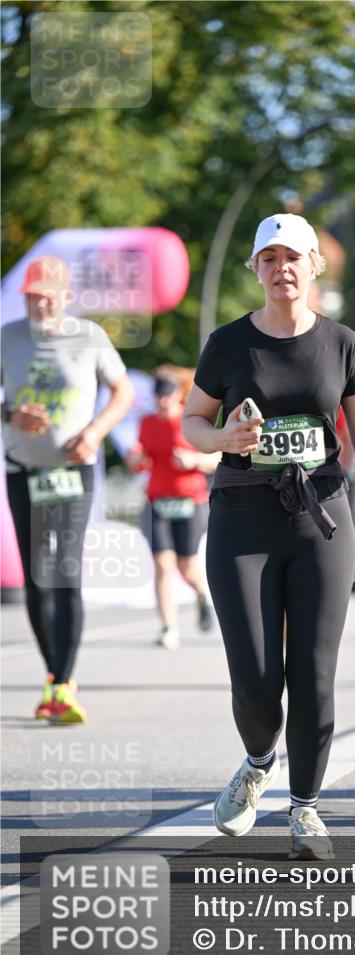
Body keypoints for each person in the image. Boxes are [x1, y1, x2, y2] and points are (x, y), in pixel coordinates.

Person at [182, 213, 355, 858]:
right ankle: (254, 762)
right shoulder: (227, 344)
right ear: (256, 269)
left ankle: (305, 810)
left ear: (313, 266)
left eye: (293, 257)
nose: (282, 269)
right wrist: (222, 440)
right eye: (269, 259)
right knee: (253, 673)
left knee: (313, 671)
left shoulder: (342, 343)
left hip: (320, 518)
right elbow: (192, 421)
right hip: (242, 518)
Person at [1, 255, 132, 723]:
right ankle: (53, 676)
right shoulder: (8, 338)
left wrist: (95, 433)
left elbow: (123, 393)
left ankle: (63, 683)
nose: (39, 302)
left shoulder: (90, 338)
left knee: (66, 566)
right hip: (25, 469)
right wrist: (10, 415)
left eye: (48, 296)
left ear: (65, 297)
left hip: (76, 470)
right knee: (39, 574)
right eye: (32, 296)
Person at [125, 369, 216, 649]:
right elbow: (139, 463)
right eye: (158, 397)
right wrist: (135, 459)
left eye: (168, 396)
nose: (163, 402)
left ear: (179, 396)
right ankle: (169, 627)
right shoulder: (148, 423)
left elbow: (216, 460)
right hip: (157, 501)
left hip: (191, 502)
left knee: (186, 566)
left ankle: (202, 595)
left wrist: (193, 460)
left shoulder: (192, 422)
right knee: (163, 564)